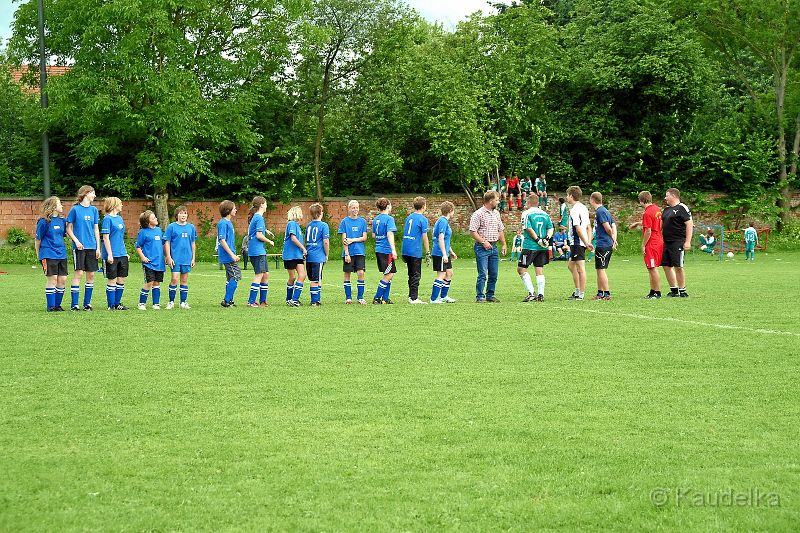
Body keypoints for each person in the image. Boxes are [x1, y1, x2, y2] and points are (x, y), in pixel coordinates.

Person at [65, 185, 101, 311]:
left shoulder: (94, 210)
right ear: (86, 194)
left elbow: (96, 229)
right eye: (93, 193)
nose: (95, 196)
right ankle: (74, 305)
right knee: (79, 273)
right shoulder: (75, 210)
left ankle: (87, 304)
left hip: (92, 247)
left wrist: (98, 247)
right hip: (79, 247)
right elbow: (68, 228)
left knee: (91, 274)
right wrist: (76, 241)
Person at [469, 191, 507, 303]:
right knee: (482, 273)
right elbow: (472, 231)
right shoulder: (478, 214)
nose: (498, 202)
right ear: (490, 201)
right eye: (497, 200)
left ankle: (490, 294)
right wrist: (483, 242)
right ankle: (480, 296)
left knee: (494, 273)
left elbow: (500, 229)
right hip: (482, 248)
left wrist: (504, 243)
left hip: (494, 247)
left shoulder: (496, 214)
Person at [518, 195, 553, 302]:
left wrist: (537, 239)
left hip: (530, 246)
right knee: (539, 269)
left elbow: (528, 228)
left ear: (528, 203)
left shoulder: (526, 213)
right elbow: (550, 228)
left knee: (521, 269)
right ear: (537, 203)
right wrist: (546, 238)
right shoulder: (544, 214)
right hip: (542, 247)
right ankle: (541, 294)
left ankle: (531, 293)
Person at [35, 196, 68, 311]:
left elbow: (63, 235)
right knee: (52, 279)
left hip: (61, 254)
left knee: (62, 279)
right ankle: (51, 306)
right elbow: (38, 240)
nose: (62, 206)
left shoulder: (62, 221)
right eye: (60, 204)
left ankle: (57, 305)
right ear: (53, 207)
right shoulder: (44, 221)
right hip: (48, 253)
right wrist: (39, 254)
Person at [164, 205, 197, 309]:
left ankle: (183, 302)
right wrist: (168, 257)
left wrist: (193, 258)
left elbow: (193, 243)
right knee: (174, 279)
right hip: (175, 258)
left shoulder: (191, 227)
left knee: (184, 280)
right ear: (176, 215)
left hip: (186, 258)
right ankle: (171, 302)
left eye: (185, 213)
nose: (183, 215)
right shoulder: (171, 227)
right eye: (181, 213)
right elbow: (167, 242)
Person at [661, 188, 693, 297]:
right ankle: (674, 290)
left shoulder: (682, 208)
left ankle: (682, 290)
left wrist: (688, 241)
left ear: (673, 196)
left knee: (678, 266)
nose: (665, 198)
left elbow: (689, 224)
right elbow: (660, 224)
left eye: (667, 195)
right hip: (666, 242)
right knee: (666, 266)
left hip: (678, 241)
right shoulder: (666, 210)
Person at [633, 191, 664, 299]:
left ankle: (658, 292)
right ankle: (652, 291)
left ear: (641, 201)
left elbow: (648, 231)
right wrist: (638, 223)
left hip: (652, 243)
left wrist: (643, 245)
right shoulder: (656, 209)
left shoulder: (646, 213)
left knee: (653, 267)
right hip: (659, 240)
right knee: (651, 268)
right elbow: (658, 224)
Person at [100, 197, 130, 310]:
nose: (122, 205)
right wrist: (110, 254)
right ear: (114, 205)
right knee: (112, 279)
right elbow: (106, 238)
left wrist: (125, 252)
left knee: (121, 278)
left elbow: (120, 238)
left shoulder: (119, 219)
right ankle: (111, 305)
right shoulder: (107, 219)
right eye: (120, 203)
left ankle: (117, 304)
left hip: (121, 253)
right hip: (112, 254)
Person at [565, 186, 593, 300]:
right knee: (571, 266)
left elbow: (578, 228)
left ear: (571, 196)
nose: (566, 197)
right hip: (580, 242)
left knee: (580, 268)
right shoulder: (583, 208)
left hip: (577, 242)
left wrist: (586, 242)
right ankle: (577, 291)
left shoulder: (575, 210)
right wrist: (588, 241)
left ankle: (580, 294)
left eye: (567, 195)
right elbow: (589, 227)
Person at [338, 200, 368, 305]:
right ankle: (348, 298)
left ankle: (360, 297)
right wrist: (346, 253)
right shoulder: (344, 222)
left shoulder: (363, 222)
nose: (355, 210)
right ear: (349, 209)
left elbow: (364, 237)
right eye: (353, 208)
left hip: (359, 252)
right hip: (349, 253)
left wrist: (353, 240)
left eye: (357, 208)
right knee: (347, 274)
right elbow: (344, 239)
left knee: (361, 273)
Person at [246, 196, 275, 307]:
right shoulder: (258, 218)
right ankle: (251, 301)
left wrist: (266, 231)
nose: (267, 206)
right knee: (259, 275)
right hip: (257, 251)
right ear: (262, 205)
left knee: (265, 275)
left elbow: (256, 230)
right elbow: (258, 235)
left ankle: (263, 301)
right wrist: (269, 241)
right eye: (266, 204)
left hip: (258, 250)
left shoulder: (256, 217)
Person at [401, 196, 430, 304]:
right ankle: (414, 298)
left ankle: (411, 296)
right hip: (414, 250)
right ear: (423, 206)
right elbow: (425, 237)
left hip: (406, 249)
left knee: (411, 274)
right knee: (416, 274)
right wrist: (428, 252)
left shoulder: (409, 217)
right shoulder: (423, 219)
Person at [135, 210, 165, 310]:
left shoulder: (159, 230)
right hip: (149, 263)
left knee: (157, 283)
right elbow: (138, 246)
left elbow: (163, 244)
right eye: (153, 218)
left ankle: (156, 304)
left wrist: (166, 257)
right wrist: (143, 257)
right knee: (149, 282)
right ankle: (141, 303)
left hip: (159, 262)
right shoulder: (143, 232)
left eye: (155, 217)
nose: (156, 219)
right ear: (148, 222)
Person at [589, 192, 617, 300]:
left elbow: (608, 228)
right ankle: (600, 293)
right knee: (599, 269)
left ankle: (607, 293)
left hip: (603, 244)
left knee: (601, 269)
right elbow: (614, 225)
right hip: (604, 243)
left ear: (592, 200)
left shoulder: (601, 211)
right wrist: (614, 238)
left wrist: (613, 238)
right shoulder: (605, 211)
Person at [430, 201, 458, 303]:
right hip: (440, 253)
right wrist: (444, 254)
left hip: (444, 252)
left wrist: (451, 251)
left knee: (449, 273)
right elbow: (440, 238)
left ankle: (443, 296)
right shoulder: (442, 221)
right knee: (441, 274)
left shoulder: (443, 221)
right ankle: (433, 299)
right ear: (450, 211)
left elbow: (445, 240)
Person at [372, 197, 398, 304]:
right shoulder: (389, 219)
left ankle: (385, 298)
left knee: (388, 273)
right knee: (389, 274)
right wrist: (393, 250)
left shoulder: (375, 219)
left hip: (378, 249)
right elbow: (389, 234)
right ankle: (377, 297)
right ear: (387, 206)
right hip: (386, 250)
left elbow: (374, 235)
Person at [217, 200, 241, 307]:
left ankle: (229, 300)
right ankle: (226, 300)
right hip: (227, 256)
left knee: (230, 277)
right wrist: (232, 255)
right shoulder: (223, 223)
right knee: (236, 276)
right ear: (228, 210)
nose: (236, 210)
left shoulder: (229, 223)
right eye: (234, 208)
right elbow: (222, 240)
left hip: (230, 254)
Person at [305, 203, 330, 306]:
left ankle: (317, 299)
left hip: (309, 256)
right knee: (316, 280)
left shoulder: (308, 225)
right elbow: (326, 241)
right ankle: (314, 301)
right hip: (318, 256)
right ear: (321, 213)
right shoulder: (324, 225)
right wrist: (327, 254)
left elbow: (306, 240)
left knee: (315, 278)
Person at [283, 206, 307, 307]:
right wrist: (303, 248)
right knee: (292, 277)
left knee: (302, 275)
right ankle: (289, 299)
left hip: (297, 255)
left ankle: (294, 299)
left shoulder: (297, 225)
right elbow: (293, 238)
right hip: (290, 255)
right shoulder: (291, 223)